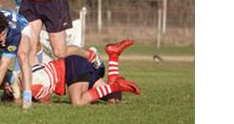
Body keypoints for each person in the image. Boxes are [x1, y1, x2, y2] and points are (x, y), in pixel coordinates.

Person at [11, 40, 140, 105]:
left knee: (77, 102)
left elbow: (47, 99)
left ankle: (116, 85)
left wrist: (25, 99)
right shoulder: (25, 68)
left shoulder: (31, 87)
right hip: (75, 64)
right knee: (114, 99)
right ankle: (113, 56)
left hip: (71, 69)